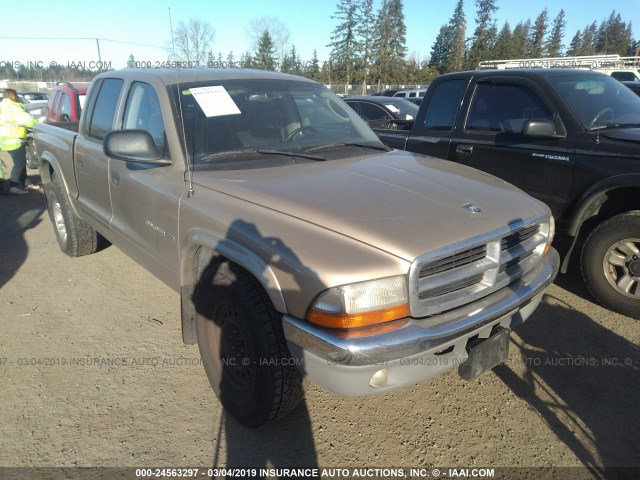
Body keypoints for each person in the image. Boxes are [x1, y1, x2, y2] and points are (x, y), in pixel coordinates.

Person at [0, 89, 37, 195]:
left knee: (21, 162)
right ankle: (14, 185)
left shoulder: (2, 107)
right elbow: (28, 121)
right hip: (14, 139)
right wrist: (40, 124)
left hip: (4, 139)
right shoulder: (14, 108)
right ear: (14, 96)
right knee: (19, 163)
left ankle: (24, 182)